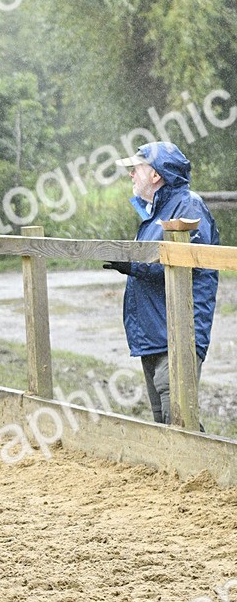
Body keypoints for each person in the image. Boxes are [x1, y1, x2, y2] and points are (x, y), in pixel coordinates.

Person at [104, 140, 219, 424]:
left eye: (136, 169)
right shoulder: (155, 211)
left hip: (179, 334)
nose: (131, 175)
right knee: (162, 423)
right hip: (155, 334)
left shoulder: (189, 206)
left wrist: (132, 264)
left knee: (179, 421)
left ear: (155, 175)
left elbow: (185, 262)